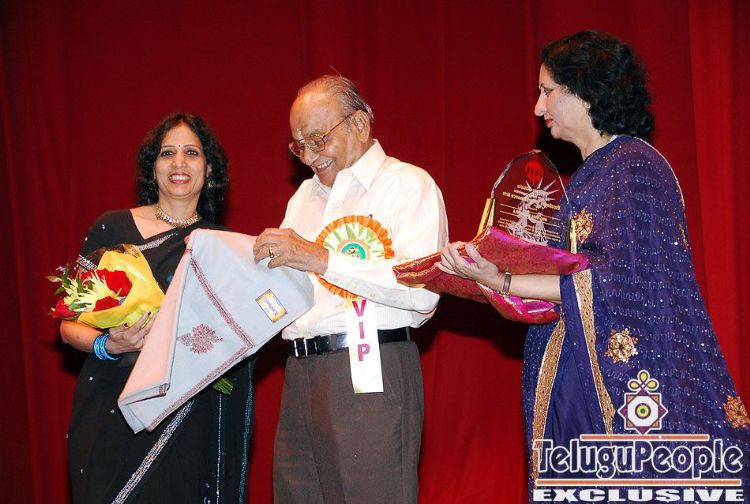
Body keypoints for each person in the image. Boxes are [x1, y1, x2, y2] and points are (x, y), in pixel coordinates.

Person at [438, 31, 749, 495]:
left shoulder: (632, 167)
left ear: (585, 91)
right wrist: (491, 276)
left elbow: (612, 283)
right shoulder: (592, 174)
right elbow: (573, 278)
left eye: (547, 91)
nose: (538, 108)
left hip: (618, 385)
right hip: (576, 369)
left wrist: (502, 278)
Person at [253, 75, 448, 503]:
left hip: (370, 368)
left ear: (359, 124)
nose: (309, 156)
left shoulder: (408, 185)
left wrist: (321, 258)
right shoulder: (303, 197)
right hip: (301, 372)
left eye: (317, 139)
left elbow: (423, 291)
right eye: (299, 145)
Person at [61, 113, 254, 503]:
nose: (179, 163)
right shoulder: (112, 228)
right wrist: (106, 345)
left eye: (192, 153)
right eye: (167, 153)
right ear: (153, 167)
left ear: (209, 169)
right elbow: (68, 322)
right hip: (113, 410)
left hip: (191, 416)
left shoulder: (227, 246)